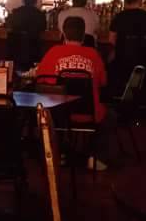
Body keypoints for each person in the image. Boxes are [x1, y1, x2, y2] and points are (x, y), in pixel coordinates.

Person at [36, 16, 116, 170]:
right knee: (110, 116)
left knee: (45, 111)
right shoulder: (93, 54)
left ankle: (57, 152)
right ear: (84, 35)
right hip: (89, 113)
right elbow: (103, 82)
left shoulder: (53, 52)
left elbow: (40, 80)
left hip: (58, 114)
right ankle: (94, 157)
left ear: (63, 34)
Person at [107, 0, 146, 98]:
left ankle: (117, 96)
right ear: (138, 1)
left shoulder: (119, 17)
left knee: (109, 63)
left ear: (125, 1)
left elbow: (111, 39)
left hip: (122, 59)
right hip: (144, 58)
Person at [6, 0, 47, 70]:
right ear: (35, 1)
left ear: (23, 0)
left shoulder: (16, 12)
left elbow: (9, 26)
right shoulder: (40, 14)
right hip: (33, 51)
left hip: (15, 51)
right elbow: (43, 28)